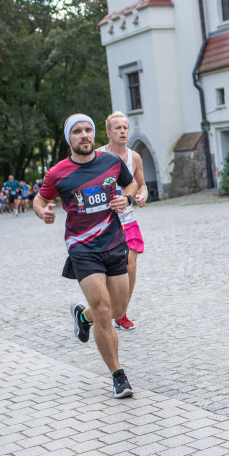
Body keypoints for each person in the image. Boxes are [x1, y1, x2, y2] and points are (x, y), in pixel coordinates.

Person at [34, 113, 139, 398]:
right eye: (77, 131)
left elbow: (131, 185)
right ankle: (118, 375)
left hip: (113, 241)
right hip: (82, 247)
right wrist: (41, 211)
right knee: (104, 310)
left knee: (117, 310)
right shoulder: (58, 172)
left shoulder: (112, 162)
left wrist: (126, 198)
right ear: (69, 138)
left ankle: (82, 316)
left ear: (94, 134)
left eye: (88, 130)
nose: (84, 135)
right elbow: (41, 198)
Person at [100, 111, 148, 331]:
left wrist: (142, 195)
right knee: (109, 272)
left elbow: (142, 184)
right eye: (117, 128)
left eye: (125, 128)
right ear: (109, 132)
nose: (122, 131)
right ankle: (102, 308)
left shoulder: (134, 157)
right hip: (103, 221)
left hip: (127, 219)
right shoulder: (98, 155)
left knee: (130, 265)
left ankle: (122, 313)